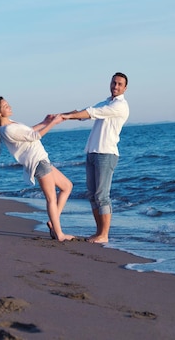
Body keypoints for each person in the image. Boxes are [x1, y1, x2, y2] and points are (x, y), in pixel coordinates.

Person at [0, 96, 75, 242]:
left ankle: (53, 222)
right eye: (5, 106)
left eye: (8, 104)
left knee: (67, 186)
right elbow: (35, 136)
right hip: (38, 162)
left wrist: (45, 122)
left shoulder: (11, 125)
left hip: (42, 160)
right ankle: (59, 234)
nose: (9, 107)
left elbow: (29, 132)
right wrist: (53, 123)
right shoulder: (7, 129)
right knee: (51, 199)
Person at [61, 72, 129, 244]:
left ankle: (104, 235)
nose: (116, 86)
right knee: (92, 195)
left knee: (102, 196)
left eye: (120, 84)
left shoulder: (120, 106)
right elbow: (85, 113)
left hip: (106, 154)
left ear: (125, 88)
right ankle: (98, 233)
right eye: (114, 82)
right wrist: (62, 115)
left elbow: (91, 113)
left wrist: (69, 116)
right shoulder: (106, 102)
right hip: (92, 152)